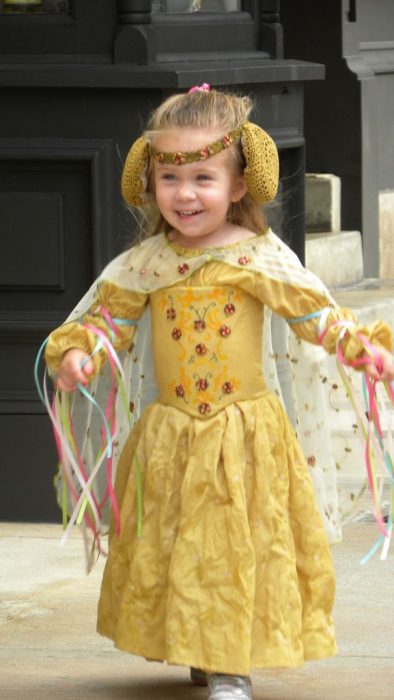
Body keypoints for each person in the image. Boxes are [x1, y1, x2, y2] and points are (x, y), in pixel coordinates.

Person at [43, 85, 394, 700]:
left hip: (244, 434)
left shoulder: (259, 257)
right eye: (170, 176)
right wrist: (81, 354)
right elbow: (111, 323)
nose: (184, 193)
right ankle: (201, 647)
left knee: (234, 544)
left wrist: (364, 351)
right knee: (183, 544)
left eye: (202, 177)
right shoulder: (145, 263)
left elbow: (316, 315)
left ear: (238, 185)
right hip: (171, 433)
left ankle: (230, 663)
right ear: (149, 182)